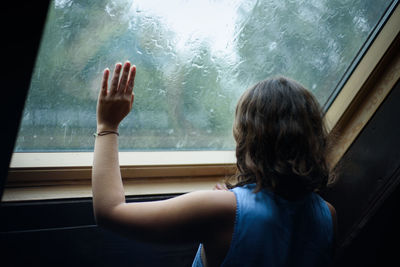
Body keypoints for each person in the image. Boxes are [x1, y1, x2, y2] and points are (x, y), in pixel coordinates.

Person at [92, 61, 337, 267]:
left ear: (249, 140)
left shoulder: (221, 210)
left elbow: (110, 212)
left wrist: (107, 126)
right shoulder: (328, 215)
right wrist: (234, 204)